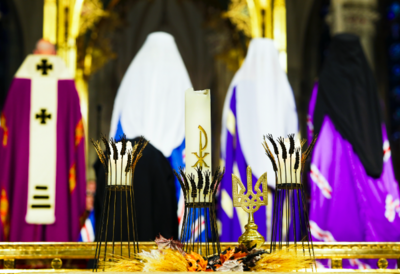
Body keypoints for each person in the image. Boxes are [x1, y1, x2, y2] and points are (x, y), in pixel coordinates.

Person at [308, 33, 400, 269]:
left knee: (337, 229)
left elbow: (313, 129)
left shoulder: (324, 84)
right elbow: (378, 127)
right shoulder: (367, 84)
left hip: (333, 167)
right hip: (369, 168)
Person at [94, 31, 192, 240]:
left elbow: (117, 139)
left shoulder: (133, 77)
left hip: (129, 170)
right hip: (168, 166)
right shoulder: (180, 78)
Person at [0, 39, 86, 241]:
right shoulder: (67, 85)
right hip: (58, 168)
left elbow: (6, 133)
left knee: (20, 192)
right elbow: (76, 133)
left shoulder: (19, 85)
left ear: (34, 53)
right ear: (55, 55)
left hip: (24, 166)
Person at [218, 38, 298, 242]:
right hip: (280, 175)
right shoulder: (283, 88)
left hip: (245, 173)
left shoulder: (238, 85)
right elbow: (293, 137)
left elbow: (228, 139)